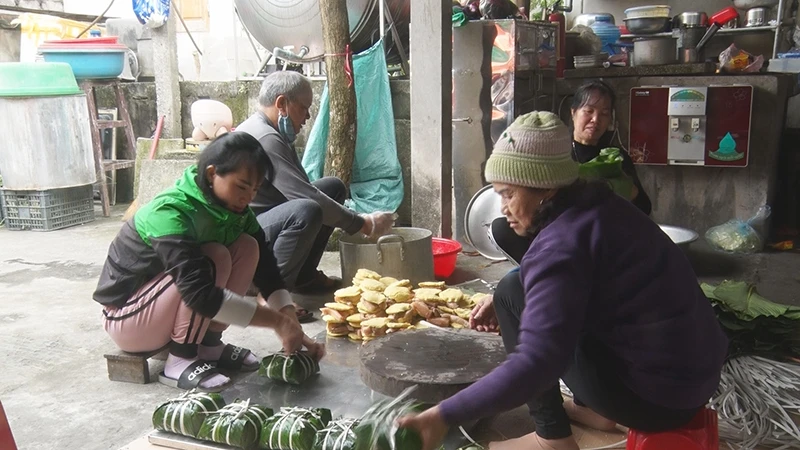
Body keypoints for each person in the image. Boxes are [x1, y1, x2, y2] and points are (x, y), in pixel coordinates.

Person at [398, 112, 728, 450]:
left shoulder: (559, 247)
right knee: (514, 287)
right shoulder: (601, 205)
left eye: (509, 194)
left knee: (512, 293)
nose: (503, 208)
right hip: (693, 381)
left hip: (655, 401)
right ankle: (595, 412)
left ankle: (552, 438)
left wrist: (444, 415)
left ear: (544, 187)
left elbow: (536, 364)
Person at [93, 132, 324, 392]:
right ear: (213, 174)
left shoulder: (235, 212)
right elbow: (199, 294)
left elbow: (268, 272)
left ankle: (209, 345)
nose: (248, 197)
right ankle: (180, 359)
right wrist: (277, 322)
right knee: (210, 261)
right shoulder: (169, 211)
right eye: (241, 186)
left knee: (247, 246)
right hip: (128, 320)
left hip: (163, 312)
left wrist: (292, 324)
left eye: (254, 189)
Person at [236, 71, 394, 318]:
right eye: (304, 108)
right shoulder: (266, 138)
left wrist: (355, 219)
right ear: (281, 103)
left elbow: (305, 188)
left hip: (263, 220)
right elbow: (303, 195)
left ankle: (303, 276)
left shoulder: (271, 130)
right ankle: (270, 294)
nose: (308, 116)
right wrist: (361, 222)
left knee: (333, 187)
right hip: (243, 235)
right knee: (307, 210)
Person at [490, 80, 652, 264]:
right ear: (573, 113)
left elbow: (644, 208)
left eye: (604, 113)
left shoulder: (615, 158)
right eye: (589, 111)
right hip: (553, 234)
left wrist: (626, 189)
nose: (596, 119)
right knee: (501, 228)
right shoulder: (554, 153)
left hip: (598, 238)